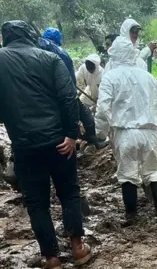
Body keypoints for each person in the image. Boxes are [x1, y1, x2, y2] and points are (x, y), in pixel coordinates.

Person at [0, 20, 91, 268]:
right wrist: (72, 135)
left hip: (25, 147)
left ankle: (51, 258)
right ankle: (78, 249)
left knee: (37, 203)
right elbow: (68, 98)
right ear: (31, 36)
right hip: (60, 142)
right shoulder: (50, 59)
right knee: (69, 193)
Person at [95, 36, 157, 222]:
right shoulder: (148, 77)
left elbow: (103, 109)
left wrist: (99, 134)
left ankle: (131, 214)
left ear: (114, 54)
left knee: (127, 173)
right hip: (150, 132)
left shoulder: (110, 77)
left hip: (124, 132)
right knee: (153, 170)